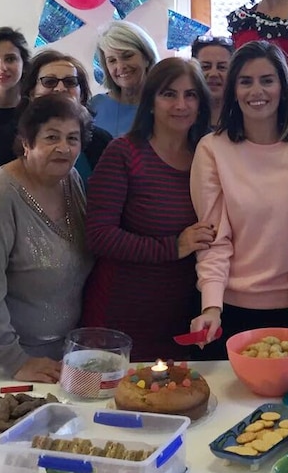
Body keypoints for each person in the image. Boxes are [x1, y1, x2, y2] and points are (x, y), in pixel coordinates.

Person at [189, 41, 288, 361]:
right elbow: (214, 239)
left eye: (267, 80)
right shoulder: (212, 149)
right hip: (227, 310)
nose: (257, 91)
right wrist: (211, 306)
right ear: (233, 90)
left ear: (283, 86)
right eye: (246, 81)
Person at [0, 94, 94, 382]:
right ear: (27, 142)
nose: (64, 147)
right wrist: (15, 361)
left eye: (72, 138)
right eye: (52, 137)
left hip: (51, 355)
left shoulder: (70, 179)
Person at [82, 58, 213, 361]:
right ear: (151, 101)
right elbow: (99, 236)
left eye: (190, 95)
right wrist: (173, 246)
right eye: (169, 94)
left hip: (183, 313)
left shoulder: (209, 156)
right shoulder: (124, 153)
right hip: (122, 314)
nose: (181, 104)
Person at [0, 49, 113, 183]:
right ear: (31, 92)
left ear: (81, 94)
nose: (60, 88)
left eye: (70, 82)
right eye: (49, 81)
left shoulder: (102, 142)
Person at [90, 21, 159, 137]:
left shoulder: (163, 106)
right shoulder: (95, 105)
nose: (121, 66)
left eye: (127, 56)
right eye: (112, 60)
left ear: (147, 58)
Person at [191, 35, 234, 128]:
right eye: (205, 67)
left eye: (221, 67)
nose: (213, 74)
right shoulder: (182, 120)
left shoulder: (246, 121)